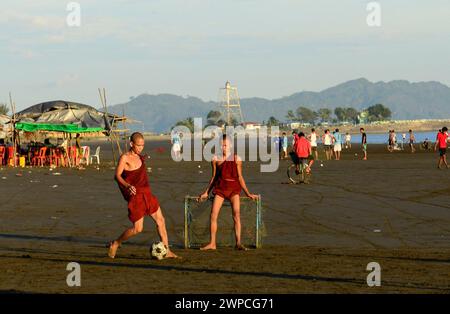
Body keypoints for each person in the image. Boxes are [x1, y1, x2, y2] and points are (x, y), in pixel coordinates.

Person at [108, 132, 178, 259]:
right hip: (136, 197)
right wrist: (127, 186)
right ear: (131, 144)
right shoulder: (125, 158)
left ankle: (167, 250)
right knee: (138, 229)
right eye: (138, 145)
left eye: (142, 145)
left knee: (161, 221)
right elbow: (117, 176)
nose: (141, 148)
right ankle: (116, 243)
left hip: (147, 194)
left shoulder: (140, 157)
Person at [198, 134, 258, 251]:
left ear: (230, 145)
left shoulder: (237, 159)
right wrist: (206, 192)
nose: (223, 148)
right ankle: (212, 243)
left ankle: (238, 243)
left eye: (225, 145)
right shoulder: (215, 159)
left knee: (236, 215)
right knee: (213, 215)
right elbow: (214, 177)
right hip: (220, 190)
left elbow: (240, 177)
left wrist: (248, 193)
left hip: (234, 190)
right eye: (221, 145)